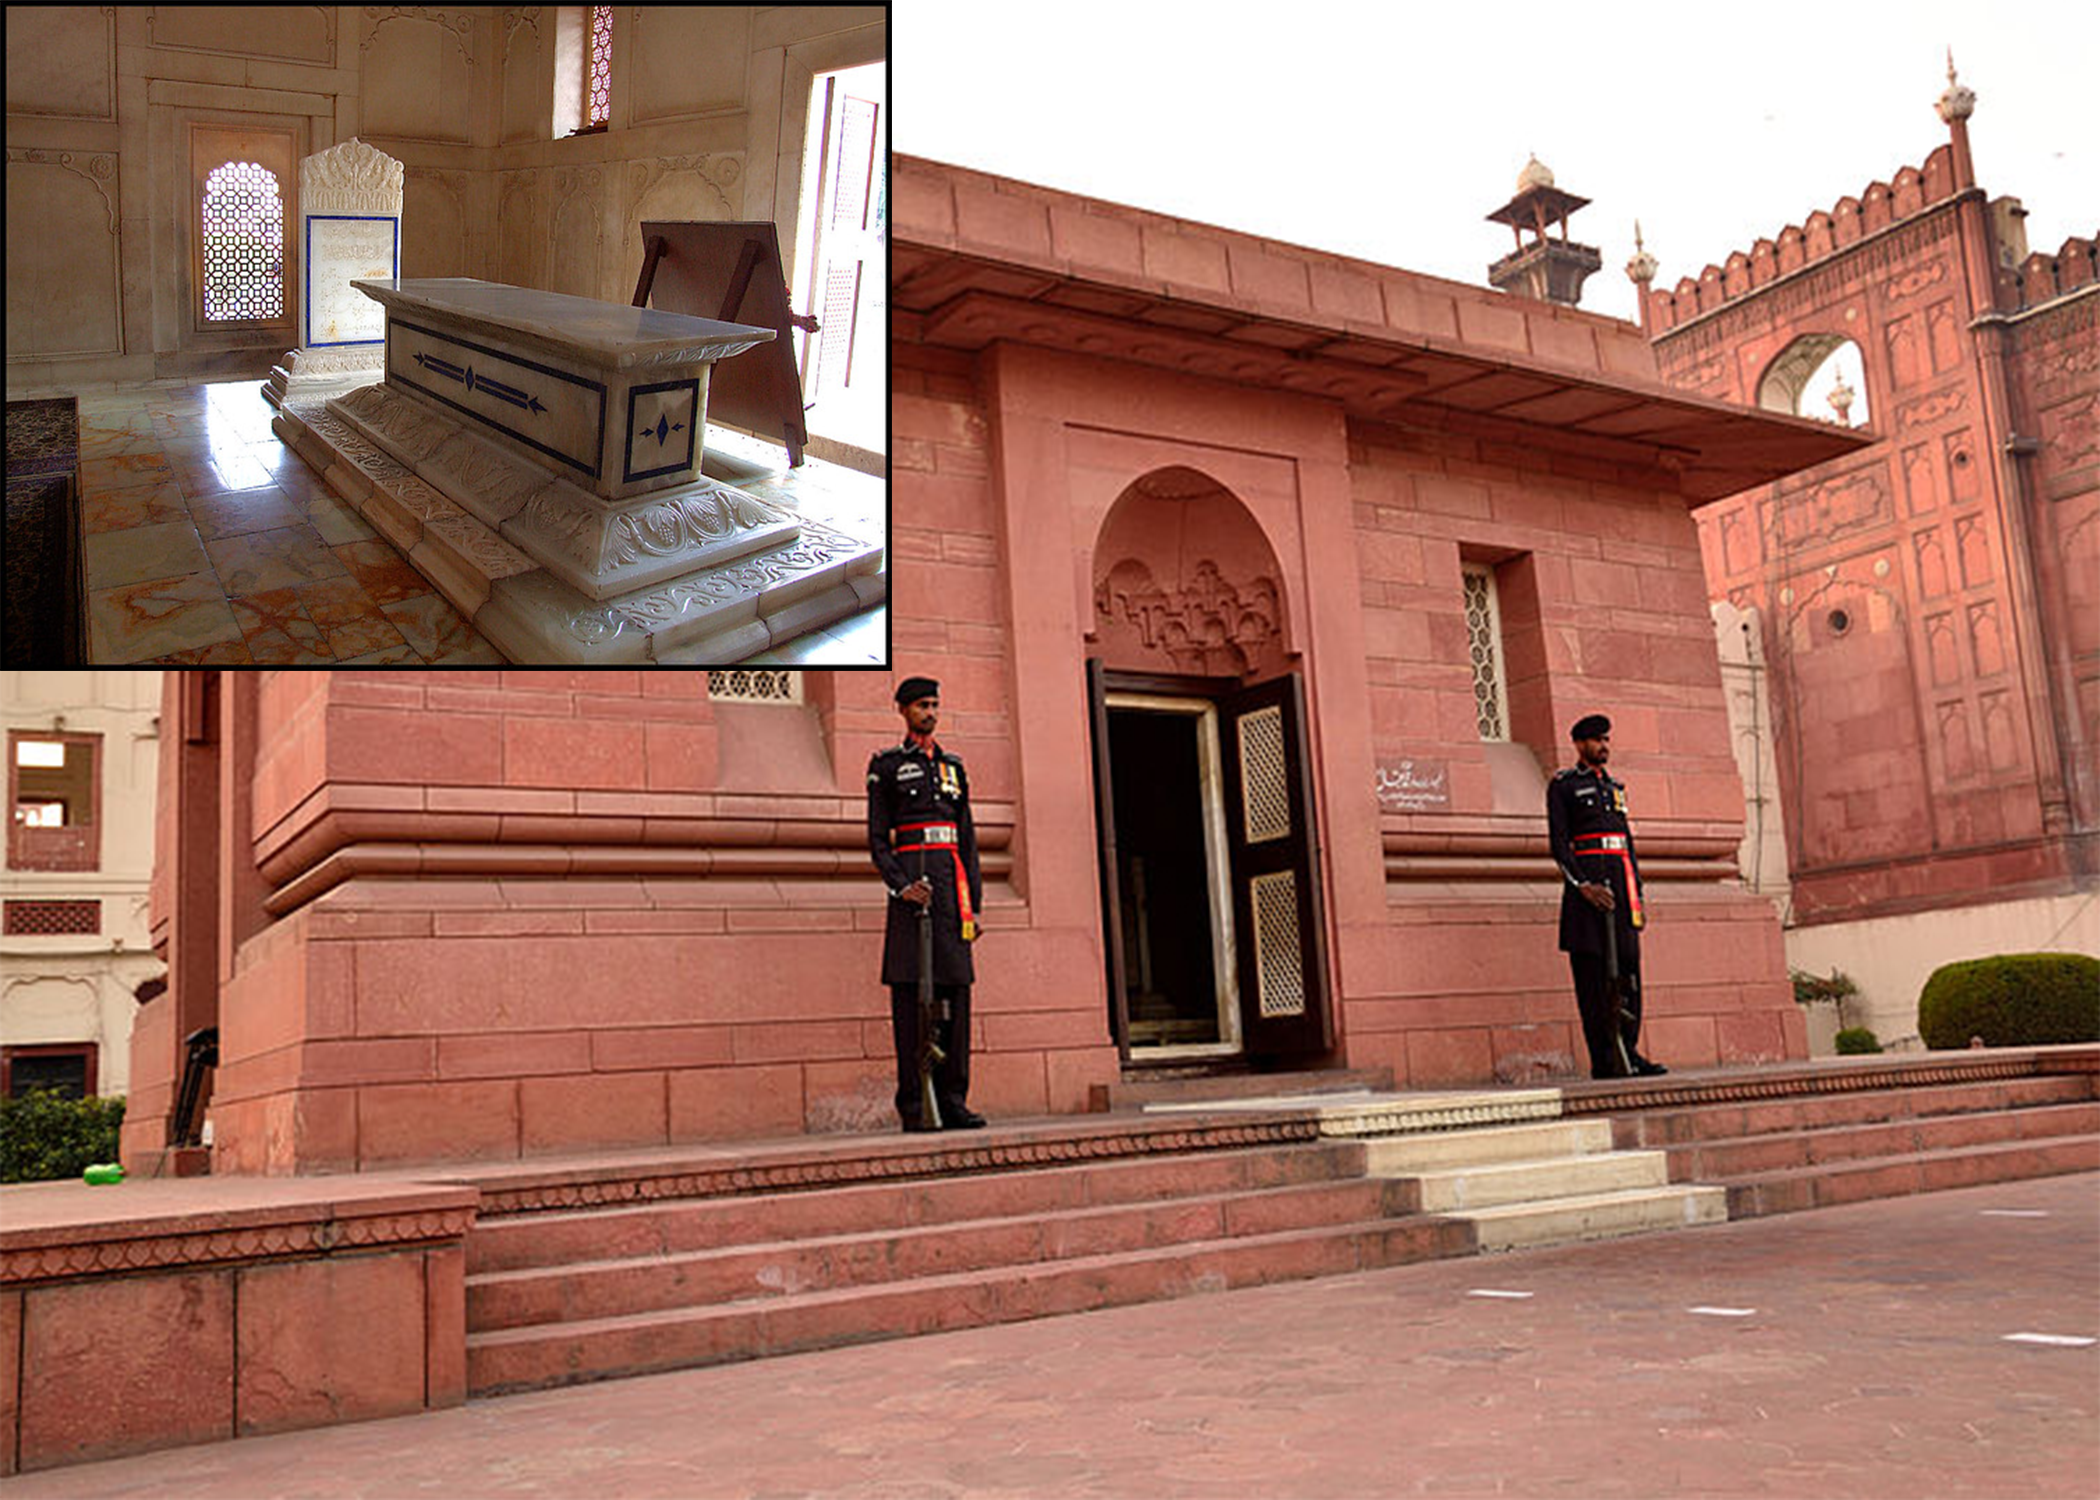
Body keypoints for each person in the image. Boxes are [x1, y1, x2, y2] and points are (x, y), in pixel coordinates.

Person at [866, 676, 987, 1131]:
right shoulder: (887, 766)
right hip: (912, 899)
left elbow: (968, 841)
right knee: (911, 1001)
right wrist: (900, 886)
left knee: (956, 997)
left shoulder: (954, 768)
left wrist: (972, 905)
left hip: (952, 898)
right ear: (902, 710)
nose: (929, 712)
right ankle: (915, 1104)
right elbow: (877, 841)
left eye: (934, 704)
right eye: (921, 705)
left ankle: (954, 1100)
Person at [1548, 713, 1667, 1080]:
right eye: (1597, 740)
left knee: (1629, 971)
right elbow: (1559, 845)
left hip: (1621, 890)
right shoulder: (1564, 786)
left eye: (1606, 739)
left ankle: (1628, 1052)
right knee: (1594, 978)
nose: (1604, 746)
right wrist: (1583, 887)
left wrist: (1639, 897)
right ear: (1580, 744)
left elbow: (1626, 845)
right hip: (1588, 897)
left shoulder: (1614, 788)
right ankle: (1605, 1059)